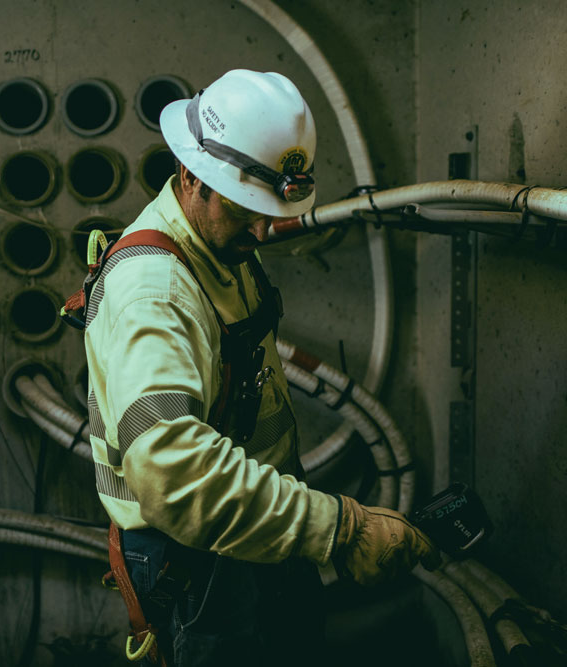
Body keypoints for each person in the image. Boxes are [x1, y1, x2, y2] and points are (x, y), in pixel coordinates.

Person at [82, 69, 439, 666]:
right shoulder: (155, 290)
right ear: (190, 174)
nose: (263, 229)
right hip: (198, 558)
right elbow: (173, 471)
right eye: (247, 206)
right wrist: (340, 529)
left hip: (255, 527)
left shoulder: (215, 241)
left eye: (271, 209)